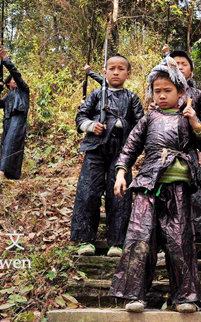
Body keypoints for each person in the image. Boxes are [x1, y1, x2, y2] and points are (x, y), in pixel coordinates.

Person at [109, 57, 201, 313]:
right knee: (140, 238)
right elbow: (129, 149)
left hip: (178, 185)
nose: (162, 95)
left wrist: (196, 124)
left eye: (168, 90)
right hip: (147, 185)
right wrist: (121, 173)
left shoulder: (188, 118)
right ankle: (135, 294)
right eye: (158, 91)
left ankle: (185, 296)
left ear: (180, 92)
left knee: (180, 240)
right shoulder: (148, 119)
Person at [71, 54, 144, 258]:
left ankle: (117, 243)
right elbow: (80, 118)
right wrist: (92, 126)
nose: (115, 72)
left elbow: (141, 125)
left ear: (128, 74)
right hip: (95, 149)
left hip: (122, 151)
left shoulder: (132, 98)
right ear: (104, 72)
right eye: (111, 68)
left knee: (120, 195)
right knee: (88, 192)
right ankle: (85, 240)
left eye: (121, 68)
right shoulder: (96, 95)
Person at [163, 45, 201, 248]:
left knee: (198, 199)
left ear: (191, 70)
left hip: (189, 153)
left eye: (184, 64)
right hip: (164, 157)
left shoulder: (198, 95)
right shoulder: (162, 90)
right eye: (176, 64)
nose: (180, 67)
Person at [0, 48, 30, 180]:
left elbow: (16, 74)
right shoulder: (8, 97)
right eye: (12, 80)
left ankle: (2, 172)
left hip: (18, 117)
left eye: (15, 80)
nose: (15, 80)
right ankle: (12, 174)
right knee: (5, 144)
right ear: (8, 83)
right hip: (8, 120)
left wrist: (5, 59)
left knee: (11, 142)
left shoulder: (23, 90)